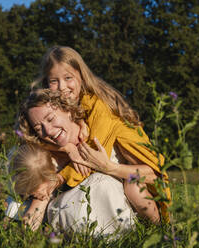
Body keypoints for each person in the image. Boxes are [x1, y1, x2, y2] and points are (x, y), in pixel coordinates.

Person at [29, 46, 171, 221]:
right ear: (46, 83)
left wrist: (57, 179)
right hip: (113, 170)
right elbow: (36, 137)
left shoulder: (98, 106)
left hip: (145, 174)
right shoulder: (68, 108)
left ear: (81, 75)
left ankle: (158, 228)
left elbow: (91, 156)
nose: (62, 87)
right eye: (54, 81)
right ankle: (28, 218)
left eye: (68, 78)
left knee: (134, 188)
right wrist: (68, 149)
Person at [16, 89, 170, 234]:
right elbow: (40, 200)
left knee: (132, 185)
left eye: (50, 118)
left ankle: (159, 231)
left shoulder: (100, 133)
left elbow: (154, 173)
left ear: (67, 110)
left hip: (124, 213)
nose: (48, 131)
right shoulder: (48, 156)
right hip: (81, 226)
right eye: (38, 128)